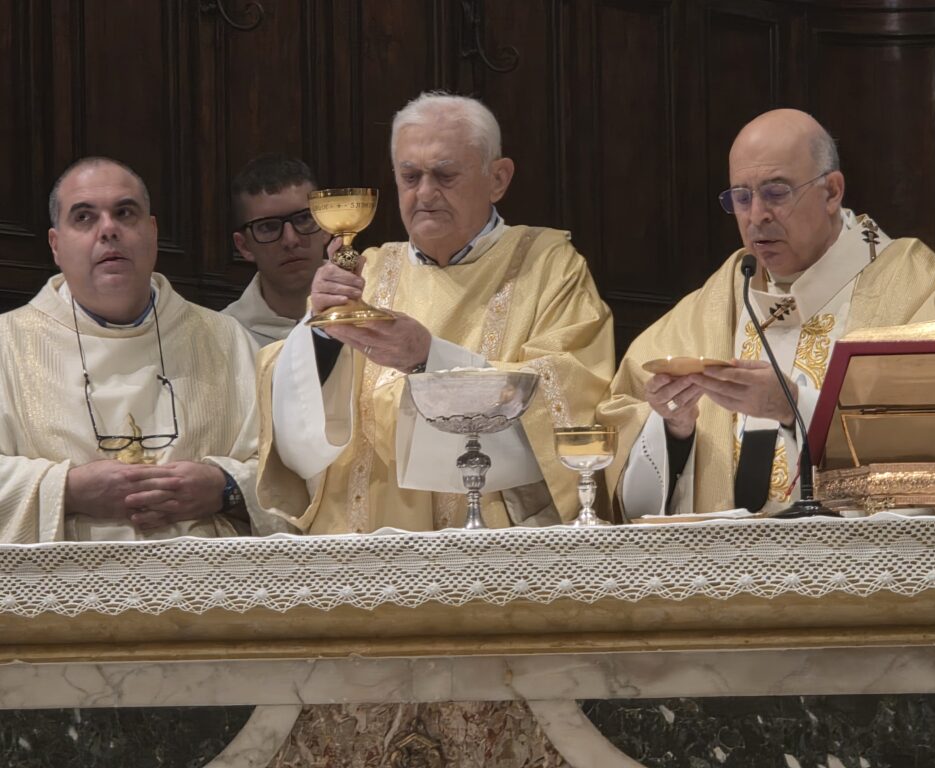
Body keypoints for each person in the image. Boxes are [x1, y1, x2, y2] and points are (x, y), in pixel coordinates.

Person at [256, 92, 614, 533]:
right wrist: (322, 336)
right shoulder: (367, 270)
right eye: (410, 177)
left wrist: (428, 360)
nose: (425, 193)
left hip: (481, 546)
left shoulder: (548, 265)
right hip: (357, 543)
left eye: (445, 175)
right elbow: (296, 426)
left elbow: (570, 395)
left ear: (498, 178)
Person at [598, 109, 935, 518]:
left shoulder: (915, 289)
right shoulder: (716, 302)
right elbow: (623, 445)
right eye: (741, 197)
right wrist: (674, 431)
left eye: (776, 193)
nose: (756, 215)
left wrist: (796, 407)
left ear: (832, 191)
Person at [0, 156, 287, 543]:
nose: (108, 230)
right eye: (84, 217)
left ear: (152, 232)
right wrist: (66, 490)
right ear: (56, 245)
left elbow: (292, 474)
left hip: (203, 576)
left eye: (125, 213)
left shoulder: (225, 339)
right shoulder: (7, 344)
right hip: (66, 578)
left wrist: (226, 488)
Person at [223, 153, 328, 347]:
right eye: (268, 227)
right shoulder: (223, 337)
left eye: (304, 218)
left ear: (326, 225)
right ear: (244, 246)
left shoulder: (370, 311)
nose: (290, 240)